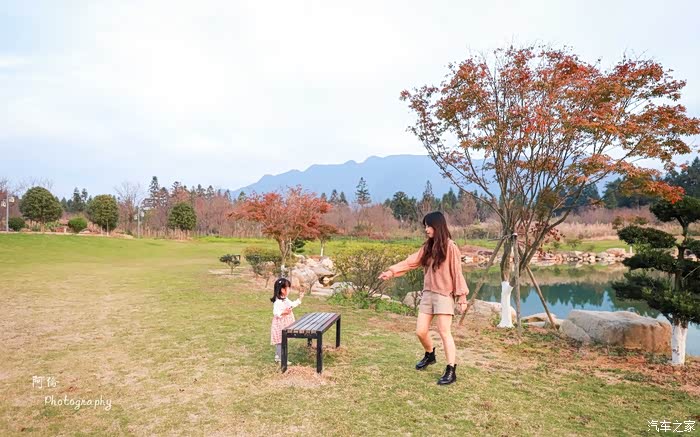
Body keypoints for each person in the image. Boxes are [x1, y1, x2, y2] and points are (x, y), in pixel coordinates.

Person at [379, 211, 469, 385]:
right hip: (428, 294)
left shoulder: (450, 247)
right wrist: (391, 272)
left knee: (444, 332)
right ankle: (430, 354)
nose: (426, 229)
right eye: (425, 226)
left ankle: (451, 370)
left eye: (429, 226)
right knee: (420, 331)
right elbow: (410, 262)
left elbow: (457, 272)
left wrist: (462, 297)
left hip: (444, 295)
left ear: (438, 226)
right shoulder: (427, 247)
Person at [270, 277, 305, 363]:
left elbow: (291, 305)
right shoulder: (278, 302)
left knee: (282, 340)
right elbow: (275, 312)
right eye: (288, 288)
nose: (289, 289)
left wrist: (300, 299)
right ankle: (281, 359)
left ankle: (278, 357)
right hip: (279, 325)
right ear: (282, 290)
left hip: (284, 324)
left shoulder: (285, 299)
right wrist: (284, 312)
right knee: (280, 340)